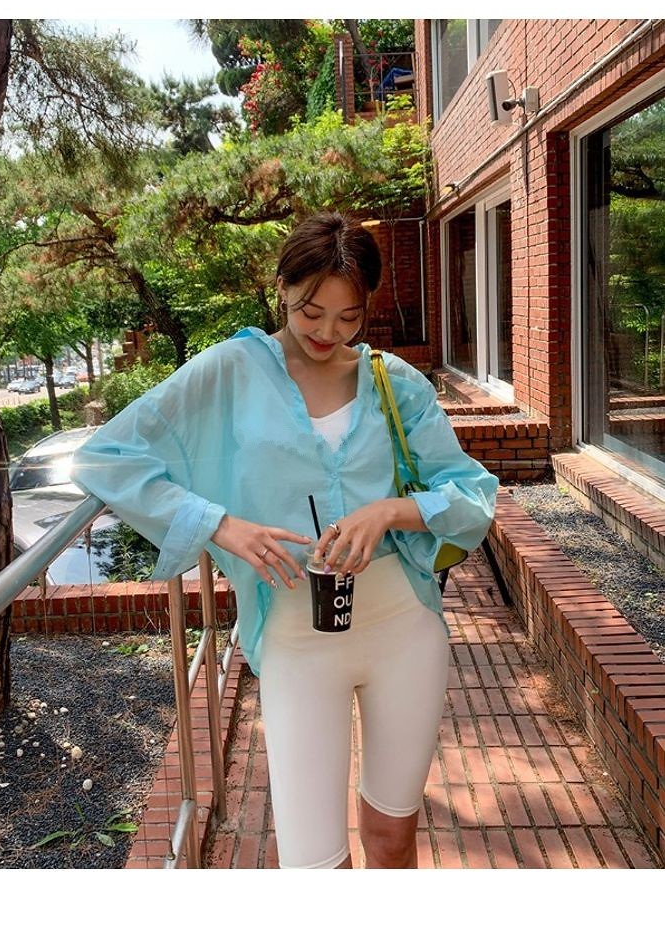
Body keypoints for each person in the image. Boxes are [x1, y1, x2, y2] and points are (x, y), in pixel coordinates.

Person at [69, 210, 499, 869]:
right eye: (310, 311)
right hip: (296, 636)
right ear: (282, 289)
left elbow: (472, 494)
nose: (328, 332)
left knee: (392, 839)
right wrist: (219, 524)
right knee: (312, 866)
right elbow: (108, 458)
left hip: (405, 629)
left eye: (349, 316)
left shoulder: (395, 383)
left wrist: (390, 511)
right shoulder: (230, 371)